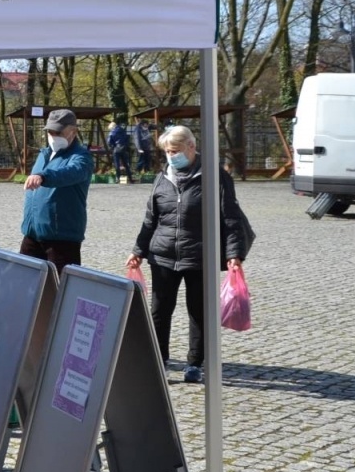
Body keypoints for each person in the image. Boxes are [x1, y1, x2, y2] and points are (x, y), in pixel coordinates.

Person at [126, 125, 253, 384]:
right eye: (167, 152)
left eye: (175, 151)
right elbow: (151, 218)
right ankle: (159, 361)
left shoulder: (215, 177)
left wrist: (234, 254)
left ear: (191, 147)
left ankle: (195, 363)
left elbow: (230, 217)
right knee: (160, 311)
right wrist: (138, 250)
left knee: (198, 311)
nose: (171, 156)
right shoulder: (163, 177)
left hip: (200, 255)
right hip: (162, 255)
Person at [19, 109, 94, 270]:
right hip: (32, 234)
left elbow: (70, 173)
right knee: (23, 285)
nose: (53, 136)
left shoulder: (81, 157)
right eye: (50, 131)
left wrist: (43, 176)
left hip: (62, 239)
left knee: (60, 290)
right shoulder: (44, 154)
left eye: (58, 132)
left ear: (73, 131)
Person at [106, 117, 132, 182]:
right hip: (124, 148)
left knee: (117, 164)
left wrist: (113, 146)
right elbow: (127, 138)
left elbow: (109, 142)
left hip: (116, 149)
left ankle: (118, 178)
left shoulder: (112, 132)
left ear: (111, 127)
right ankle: (130, 178)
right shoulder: (123, 130)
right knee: (126, 164)